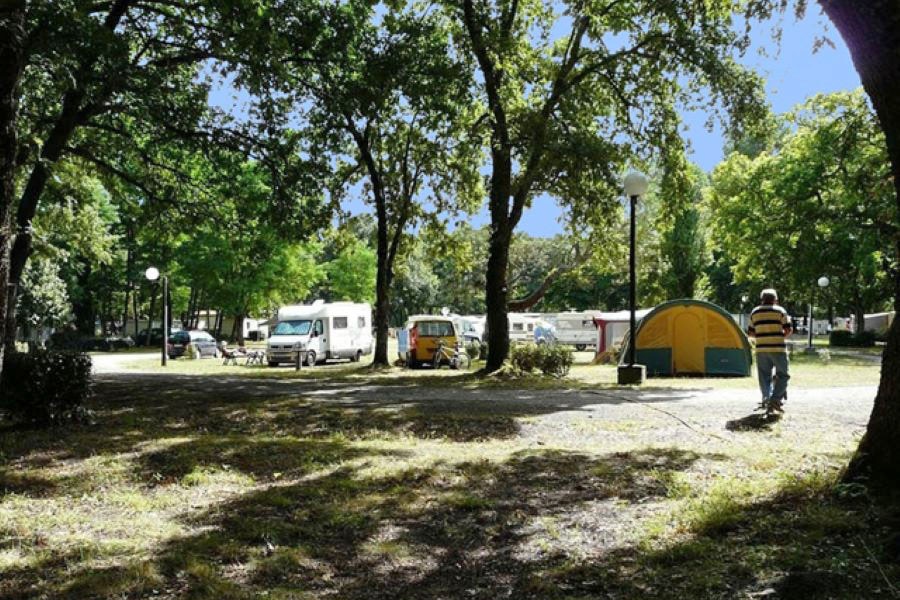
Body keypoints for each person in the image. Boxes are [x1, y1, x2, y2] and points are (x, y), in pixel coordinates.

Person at [747, 288, 793, 411]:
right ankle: (775, 400)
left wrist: (762, 337)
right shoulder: (781, 311)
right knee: (783, 375)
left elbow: (751, 333)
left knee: (764, 376)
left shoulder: (754, 312)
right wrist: (779, 337)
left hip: (761, 349)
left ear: (762, 299)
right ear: (775, 299)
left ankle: (766, 398)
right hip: (778, 348)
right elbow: (788, 330)